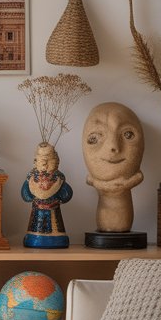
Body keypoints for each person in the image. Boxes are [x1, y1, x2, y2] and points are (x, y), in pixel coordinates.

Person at [82, 102, 145, 233]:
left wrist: (121, 186)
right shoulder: (95, 180)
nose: (113, 146)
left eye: (128, 135)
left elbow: (138, 177)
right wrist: (107, 186)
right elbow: (90, 180)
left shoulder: (134, 177)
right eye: (94, 138)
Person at [21, 141, 73, 248]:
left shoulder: (58, 179)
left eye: (49, 159)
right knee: (36, 226)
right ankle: (34, 237)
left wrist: (61, 191)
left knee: (55, 225)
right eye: (41, 160)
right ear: (35, 162)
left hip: (53, 210)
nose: (45, 163)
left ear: (57, 162)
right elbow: (26, 195)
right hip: (37, 210)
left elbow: (66, 195)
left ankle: (56, 238)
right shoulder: (32, 179)